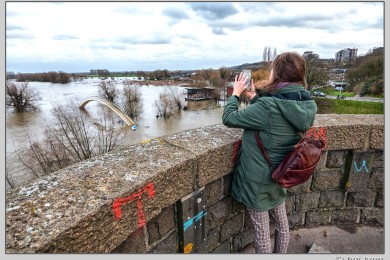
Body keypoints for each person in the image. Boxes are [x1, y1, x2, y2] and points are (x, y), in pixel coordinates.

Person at [222, 52, 317, 253]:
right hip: (282, 174)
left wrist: (235, 94)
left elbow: (229, 117)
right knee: (282, 226)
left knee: (262, 233)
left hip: (258, 180)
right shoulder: (305, 104)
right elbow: (276, 120)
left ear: (278, 74)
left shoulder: (269, 106)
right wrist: (255, 98)